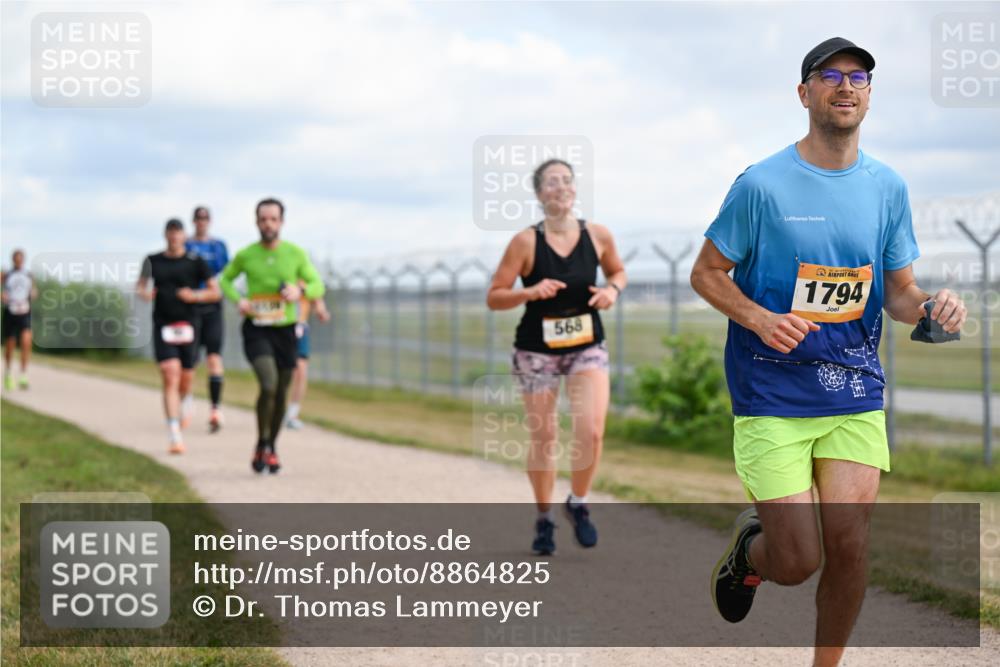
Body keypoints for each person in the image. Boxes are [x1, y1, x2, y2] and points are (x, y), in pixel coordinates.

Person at [689, 38, 967, 666]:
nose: (847, 86)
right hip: (772, 393)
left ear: (869, 94)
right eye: (830, 75)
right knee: (797, 561)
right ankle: (750, 554)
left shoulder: (887, 186)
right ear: (805, 93)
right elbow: (706, 273)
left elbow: (898, 293)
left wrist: (929, 307)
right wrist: (759, 318)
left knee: (850, 547)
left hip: (853, 391)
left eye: (859, 77)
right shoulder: (761, 184)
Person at [487, 159, 626, 556]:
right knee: (545, 437)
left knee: (591, 431)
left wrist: (612, 291)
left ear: (575, 189)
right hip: (537, 350)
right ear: (538, 194)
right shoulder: (525, 242)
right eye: (551, 183)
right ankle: (544, 517)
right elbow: (495, 296)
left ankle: (578, 503)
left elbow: (618, 273)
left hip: (586, 346)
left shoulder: (597, 235)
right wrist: (528, 293)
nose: (561, 188)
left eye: (567, 180)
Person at [219, 198, 324, 473]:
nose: (268, 224)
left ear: (281, 222)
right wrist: (238, 300)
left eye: (273, 219)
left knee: (281, 394)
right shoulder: (246, 255)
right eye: (263, 219)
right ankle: (261, 441)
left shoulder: (295, 254)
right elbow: (225, 280)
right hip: (257, 329)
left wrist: (299, 292)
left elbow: (317, 284)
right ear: (256, 222)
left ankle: (270, 446)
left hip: (286, 330)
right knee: (268, 383)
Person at [136, 219, 220, 454]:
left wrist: (194, 295)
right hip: (163, 323)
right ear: (165, 236)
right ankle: (174, 434)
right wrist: (145, 293)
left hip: (190, 325)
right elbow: (140, 287)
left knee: (185, 378)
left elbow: (215, 292)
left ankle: (186, 399)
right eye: (170, 233)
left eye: (178, 233)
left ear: (184, 236)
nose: (174, 237)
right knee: (169, 374)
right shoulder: (152, 260)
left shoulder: (195, 261)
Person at [185, 205, 230, 432]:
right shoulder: (186, 245)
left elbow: (225, 274)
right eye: (198, 218)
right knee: (190, 362)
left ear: (209, 221)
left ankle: (215, 408)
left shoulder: (218, 246)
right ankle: (186, 402)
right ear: (193, 221)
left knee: (214, 358)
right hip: (191, 308)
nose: (201, 222)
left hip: (212, 306)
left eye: (205, 218)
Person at [285, 285, 331, 430]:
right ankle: (276, 408)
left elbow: (317, 299)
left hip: (300, 329)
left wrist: (321, 311)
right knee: (282, 373)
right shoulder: (282, 273)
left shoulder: (307, 278)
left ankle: (292, 414)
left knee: (301, 372)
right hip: (280, 327)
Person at [2, 249, 36, 391]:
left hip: (24, 311)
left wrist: (34, 293)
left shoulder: (28, 275)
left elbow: (33, 290)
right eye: (17, 259)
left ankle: (23, 374)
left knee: (27, 341)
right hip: (11, 311)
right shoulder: (6, 275)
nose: (19, 261)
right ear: (13, 260)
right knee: (10, 344)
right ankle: (8, 372)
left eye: (21, 259)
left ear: (23, 260)